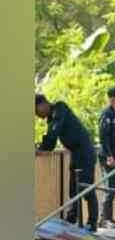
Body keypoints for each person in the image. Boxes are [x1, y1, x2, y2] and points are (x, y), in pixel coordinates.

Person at [35, 94, 98, 231]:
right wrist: (40, 148)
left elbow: (52, 135)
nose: (37, 115)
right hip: (75, 153)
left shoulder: (60, 108)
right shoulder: (52, 118)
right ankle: (72, 219)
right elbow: (50, 143)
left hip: (85, 152)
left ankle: (92, 224)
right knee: (73, 190)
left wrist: (40, 149)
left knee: (86, 188)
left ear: (43, 104)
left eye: (36, 110)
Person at [98, 86, 115, 229]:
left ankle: (109, 216)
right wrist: (109, 155)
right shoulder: (107, 115)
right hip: (109, 156)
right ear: (113, 98)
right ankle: (103, 219)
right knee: (110, 187)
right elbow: (103, 137)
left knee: (114, 188)